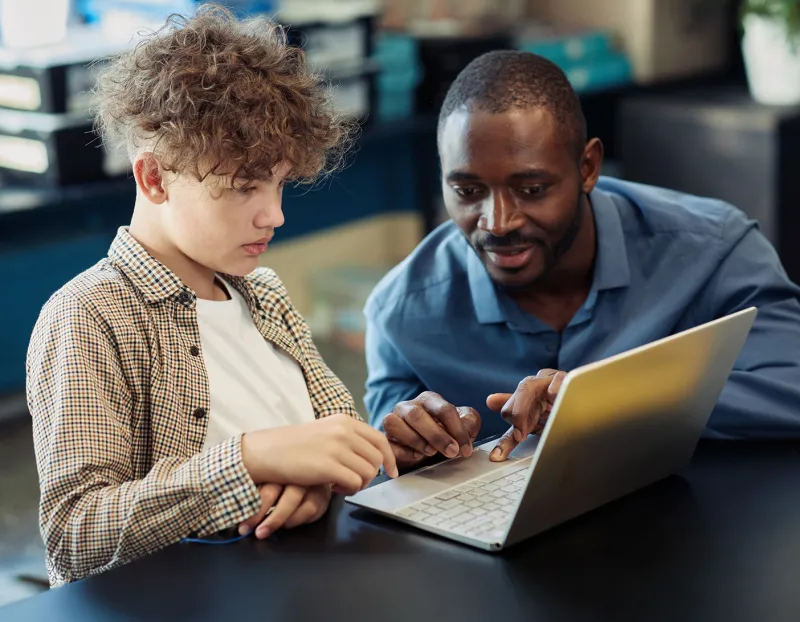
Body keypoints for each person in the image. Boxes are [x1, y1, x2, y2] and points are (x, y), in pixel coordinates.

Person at [26, 6, 397, 587]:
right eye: (244, 187)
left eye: (279, 184)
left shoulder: (265, 295)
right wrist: (248, 459)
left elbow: (336, 435)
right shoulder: (88, 315)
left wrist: (320, 481)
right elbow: (76, 534)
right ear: (153, 178)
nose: (274, 215)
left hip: (296, 586)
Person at [364, 50, 800, 470]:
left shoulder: (713, 249)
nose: (497, 222)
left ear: (588, 167)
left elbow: (791, 385)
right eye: (467, 191)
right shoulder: (400, 312)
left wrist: (607, 400)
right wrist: (413, 444)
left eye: (531, 189)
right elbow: (385, 451)